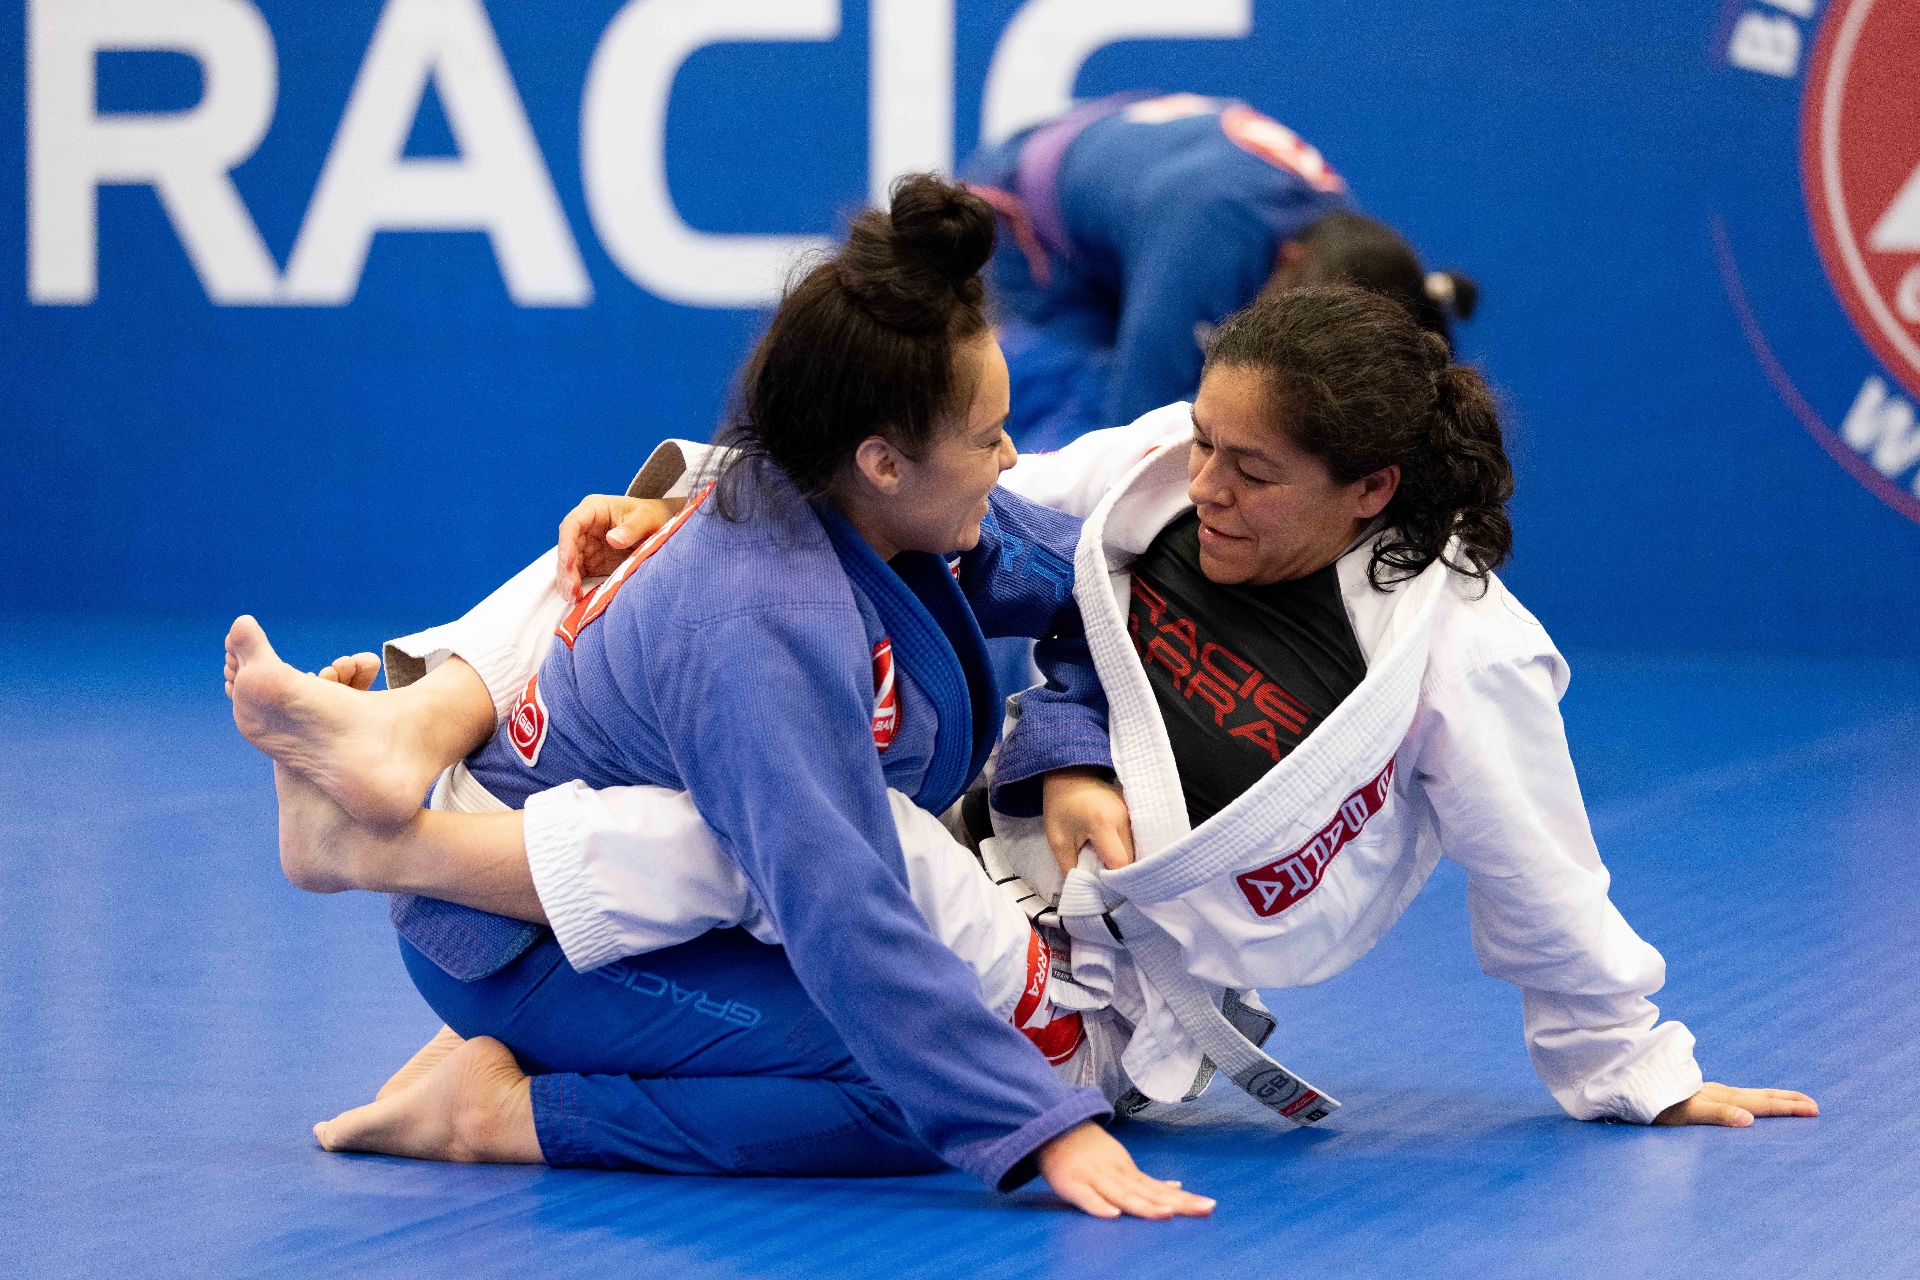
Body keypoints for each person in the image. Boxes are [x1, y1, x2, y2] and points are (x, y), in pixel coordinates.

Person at [252, 286, 1814, 1138]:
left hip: (1101, 988)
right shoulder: (1152, 481)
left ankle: (483, 1057)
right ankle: (415, 734)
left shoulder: (1460, 659)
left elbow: (1546, 878)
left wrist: (1636, 1061)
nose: (1204, 486)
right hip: (941, 863)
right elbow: (921, 491)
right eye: (1203, 440)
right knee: (715, 596)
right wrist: (715, 497)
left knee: (898, 1003)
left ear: (1371, 493)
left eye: (1253, 475)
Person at [226, 174, 1214, 1222]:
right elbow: (842, 908)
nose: (1009, 459)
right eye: (987, 437)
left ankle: (561, 1027)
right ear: (881, 459)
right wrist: (1040, 1124)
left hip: (653, 899)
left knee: (941, 1044)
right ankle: (498, 1113)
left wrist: (1069, 747)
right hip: (524, 939)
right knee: (915, 1085)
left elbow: (1103, 596)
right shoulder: (761, 622)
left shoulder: (870, 505)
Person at [960, 92, 1476, 452]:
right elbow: (1133, 435)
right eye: (1301, 319)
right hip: (1025, 211)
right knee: (1105, 424)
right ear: (1288, 264)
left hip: (1135, 175)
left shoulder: (1337, 243)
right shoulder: (1211, 234)